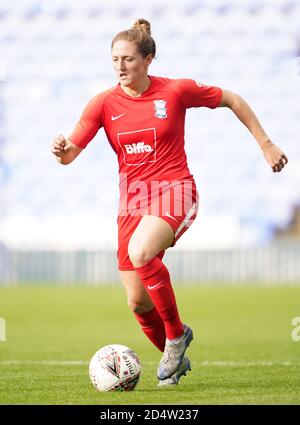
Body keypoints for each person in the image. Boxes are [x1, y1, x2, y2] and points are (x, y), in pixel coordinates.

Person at [51, 19, 288, 387]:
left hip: (175, 190)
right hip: (132, 203)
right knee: (137, 302)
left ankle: (176, 336)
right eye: (115, 59)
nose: (120, 67)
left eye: (128, 59)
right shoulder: (102, 103)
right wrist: (62, 151)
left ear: (148, 59)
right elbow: (69, 156)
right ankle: (174, 362)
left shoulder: (175, 92)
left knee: (142, 251)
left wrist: (266, 144)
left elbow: (232, 99)